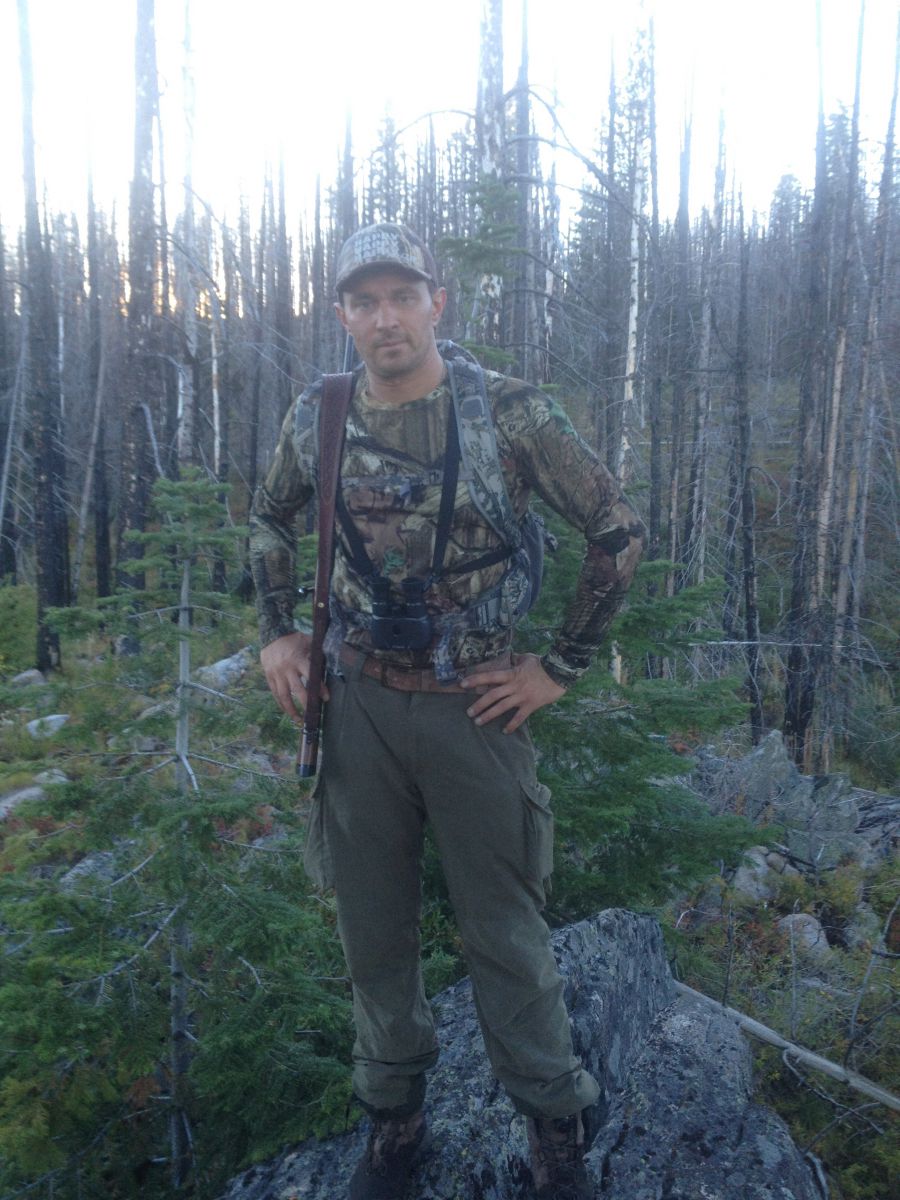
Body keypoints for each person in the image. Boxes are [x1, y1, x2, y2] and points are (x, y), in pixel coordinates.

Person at [249, 222, 645, 1200]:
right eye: (365, 300)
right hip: (357, 711)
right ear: (342, 313)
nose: (386, 317)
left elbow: (616, 528)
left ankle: (554, 1131)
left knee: (505, 933)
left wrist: (560, 667)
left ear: (438, 301)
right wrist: (277, 633)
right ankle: (395, 1123)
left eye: (402, 295)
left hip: (477, 709)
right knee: (373, 936)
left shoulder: (510, 413)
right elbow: (269, 516)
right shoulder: (320, 414)